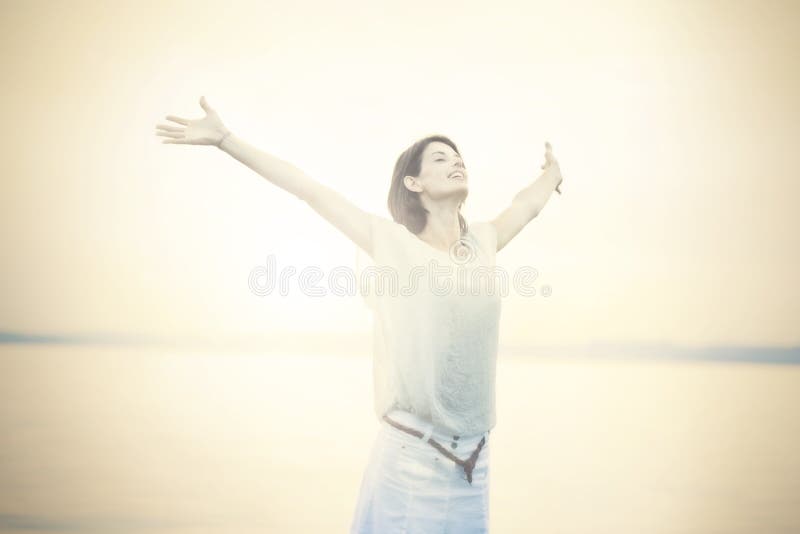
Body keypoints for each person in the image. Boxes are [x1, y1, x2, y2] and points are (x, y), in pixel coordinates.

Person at [155, 96, 563, 533]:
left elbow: (527, 205)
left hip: (474, 469)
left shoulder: (483, 241)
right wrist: (226, 140)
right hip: (412, 462)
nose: (455, 162)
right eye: (440, 158)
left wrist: (553, 173)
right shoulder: (391, 243)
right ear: (414, 184)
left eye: (458, 157)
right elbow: (308, 188)